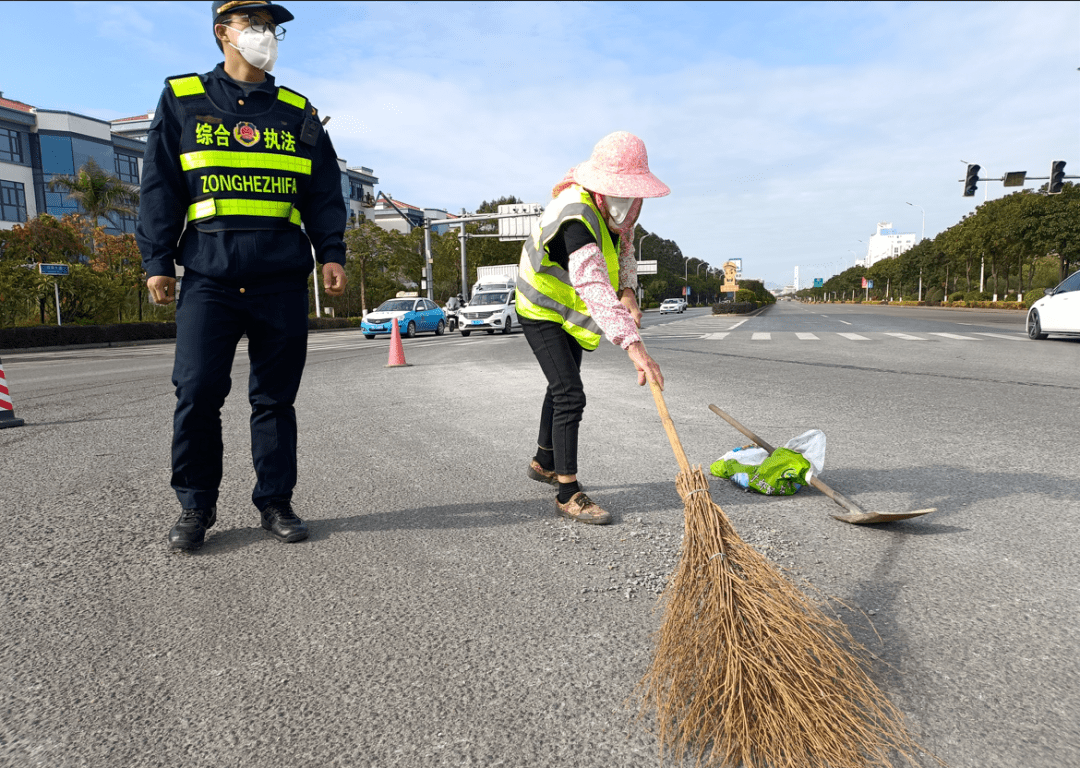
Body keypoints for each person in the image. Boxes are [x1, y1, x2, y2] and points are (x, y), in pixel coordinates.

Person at [136, 0, 348, 551]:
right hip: (209, 276)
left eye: (271, 26)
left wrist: (332, 251)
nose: (265, 34)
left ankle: (275, 501)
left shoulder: (298, 111)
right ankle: (195, 507)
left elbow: (324, 191)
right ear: (221, 33)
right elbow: (159, 185)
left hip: (280, 278)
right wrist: (157, 260)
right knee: (198, 392)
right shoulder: (183, 99)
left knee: (275, 399)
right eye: (252, 23)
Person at [516, 131, 668, 525]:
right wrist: (636, 349)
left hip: (571, 307)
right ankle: (568, 492)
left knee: (561, 385)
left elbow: (625, 249)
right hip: (541, 305)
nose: (625, 205)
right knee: (570, 394)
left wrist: (630, 291)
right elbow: (593, 285)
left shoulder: (622, 210)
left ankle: (544, 461)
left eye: (631, 196)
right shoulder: (576, 216)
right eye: (618, 194)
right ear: (600, 187)